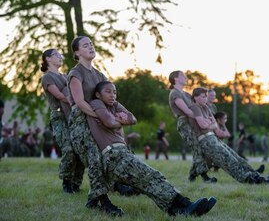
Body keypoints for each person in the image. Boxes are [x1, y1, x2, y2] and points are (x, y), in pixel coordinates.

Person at [86, 81, 217, 217]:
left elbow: (133, 119)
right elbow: (109, 122)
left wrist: (121, 119)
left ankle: (180, 208)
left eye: (114, 92)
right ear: (98, 94)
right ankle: (185, 206)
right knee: (149, 176)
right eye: (108, 92)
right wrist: (119, 120)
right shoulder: (97, 103)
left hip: (122, 152)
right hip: (112, 154)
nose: (112, 95)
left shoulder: (114, 105)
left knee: (150, 180)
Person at [68, 36, 134, 215]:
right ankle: (102, 200)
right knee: (94, 158)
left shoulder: (100, 75)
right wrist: (99, 116)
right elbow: (80, 102)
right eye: (85, 45)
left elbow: (107, 99)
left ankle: (98, 196)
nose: (90, 46)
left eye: (91, 43)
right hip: (81, 120)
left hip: (98, 118)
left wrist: (116, 117)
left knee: (108, 156)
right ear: (77, 52)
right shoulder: (76, 73)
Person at [188, 87, 269, 184]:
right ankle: (250, 180)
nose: (205, 99)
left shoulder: (206, 108)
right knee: (227, 159)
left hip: (212, 137)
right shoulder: (195, 108)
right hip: (205, 140)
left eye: (206, 97)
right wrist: (209, 123)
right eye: (203, 97)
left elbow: (215, 124)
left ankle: (257, 176)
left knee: (237, 158)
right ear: (195, 97)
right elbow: (203, 125)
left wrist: (209, 123)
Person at [41, 48, 85, 193]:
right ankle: (66, 182)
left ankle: (76, 183)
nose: (60, 57)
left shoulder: (66, 76)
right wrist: (77, 101)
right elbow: (60, 95)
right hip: (59, 117)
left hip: (71, 115)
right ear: (48, 59)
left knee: (79, 149)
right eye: (56, 55)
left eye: (60, 55)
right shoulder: (47, 77)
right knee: (69, 149)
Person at [168, 71, 217, 183]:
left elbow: (197, 107)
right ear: (175, 79)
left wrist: (205, 118)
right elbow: (188, 111)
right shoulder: (175, 93)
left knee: (200, 148)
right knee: (197, 148)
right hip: (185, 124)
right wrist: (204, 120)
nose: (185, 77)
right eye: (182, 76)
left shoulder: (186, 94)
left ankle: (192, 175)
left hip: (194, 122)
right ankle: (205, 177)